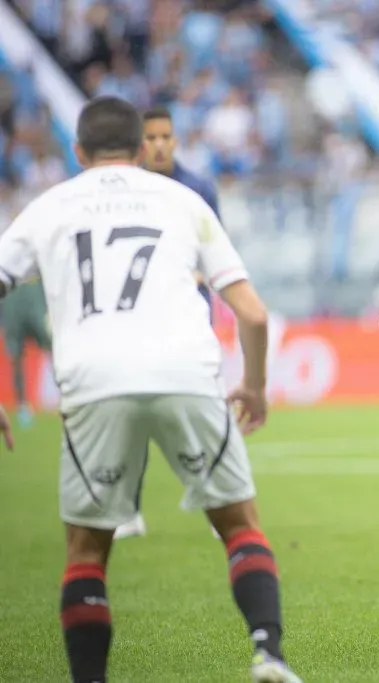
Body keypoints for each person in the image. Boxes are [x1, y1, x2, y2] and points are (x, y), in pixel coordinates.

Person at [0, 96, 301, 683]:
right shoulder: (184, 200)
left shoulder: (48, 207)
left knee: (87, 551)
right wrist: (256, 386)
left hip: (92, 381)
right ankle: (269, 653)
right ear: (142, 150)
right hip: (184, 372)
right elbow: (255, 315)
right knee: (239, 525)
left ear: (78, 151)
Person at [114, 106, 222, 541]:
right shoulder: (128, 193)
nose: (159, 144)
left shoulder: (198, 189)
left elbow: (216, 256)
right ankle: (128, 510)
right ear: (141, 144)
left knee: (204, 412)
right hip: (140, 319)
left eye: (165, 137)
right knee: (131, 414)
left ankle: (218, 504)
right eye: (151, 137)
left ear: (175, 140)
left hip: (189, 320)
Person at [1, 273, 51, 427]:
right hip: (13, 301)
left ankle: (67, 396)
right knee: (15, 357)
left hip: (35, 297)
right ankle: (22, 405)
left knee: (53, 346)